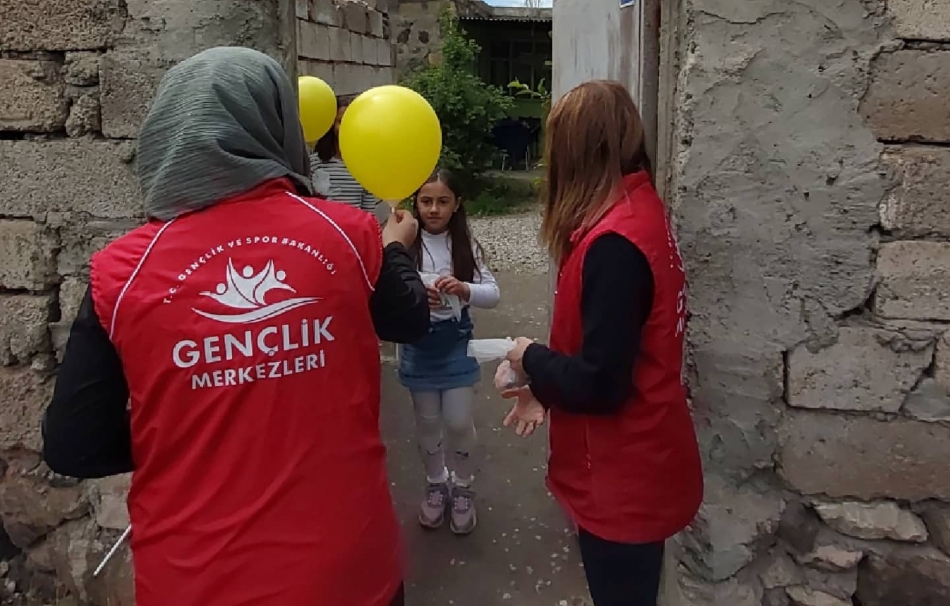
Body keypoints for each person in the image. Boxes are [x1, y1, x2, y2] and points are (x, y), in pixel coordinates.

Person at [41, 47, 429, 606]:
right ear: (277, 125)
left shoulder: (122, 273)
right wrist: (394, 250)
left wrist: (186, 429)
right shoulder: (346, 235)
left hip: (194, 577)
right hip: (346, 570)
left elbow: (73, 446)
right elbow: (410, 319)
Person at [502, 80, 703, 606]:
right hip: (642, 461)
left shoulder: (615, 244)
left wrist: (529, 357)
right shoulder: (640, 212)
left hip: (622, 477)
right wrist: (544, 389)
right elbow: (616, 349)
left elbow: (601, 383)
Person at [398, 169, 500, 536]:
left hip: (456, 344)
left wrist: (464, 289)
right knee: (427, 422)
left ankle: (463, 486)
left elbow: (493, 293)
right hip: (417, 346)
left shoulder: (465, 244)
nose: (434, 209)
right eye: (426, 201)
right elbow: (383, 290)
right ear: (416, 202)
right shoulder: (405, 243)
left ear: (457, 204)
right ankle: (436, 483)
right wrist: (413, 297)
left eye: (443, 201)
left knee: (458, 422)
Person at [312, 94, 380, 213]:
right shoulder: (314, 163)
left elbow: (368, 212)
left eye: (349, 121)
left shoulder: (363, 167)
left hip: (355, 224)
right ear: (331, 124)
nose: (345, 126)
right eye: (340, 121)